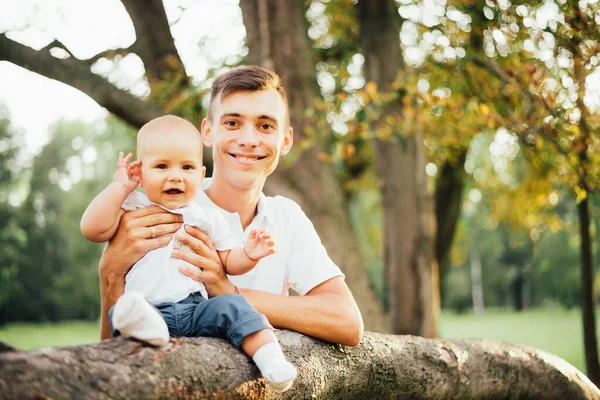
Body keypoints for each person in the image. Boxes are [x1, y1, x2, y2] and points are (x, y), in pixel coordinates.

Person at [98, 66, 363, 353]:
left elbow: (347, 322)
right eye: (233, 123)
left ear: (285, 141)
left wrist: (227, 291)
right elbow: (109, 351)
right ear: (208, 132)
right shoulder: (159, 206)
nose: (248, 140)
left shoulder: (286, 218)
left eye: (265, 126)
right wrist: (110, 274)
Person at [81, 115, 296, 391]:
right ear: (141, 173)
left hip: (196, 310)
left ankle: (271, 360)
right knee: (124, 309)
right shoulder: (133, 206)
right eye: (161, 166)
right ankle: (150, 332)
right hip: (147, 308)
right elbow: (92, 230)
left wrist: (249, 254)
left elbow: (228, 261)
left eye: (187, 167)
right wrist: (119, 188)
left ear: (200, 173)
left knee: (234, 305)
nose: (175, 176)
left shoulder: (206, 217)